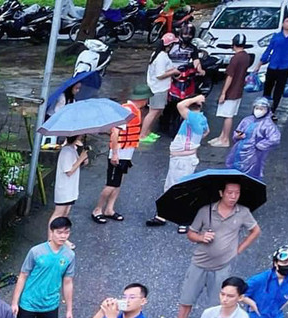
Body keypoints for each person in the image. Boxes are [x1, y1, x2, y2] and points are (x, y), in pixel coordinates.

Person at [162, 182, 260, 318]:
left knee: (218, 303)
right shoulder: (205, 211)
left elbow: (255, 231)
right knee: (187, 299)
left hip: (222, 266)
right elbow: (191, 233)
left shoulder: (242, 212)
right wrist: (201, 237)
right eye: (230, 193)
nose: (233, 196)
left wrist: (238, 249)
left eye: (237, 193)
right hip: (199, 263)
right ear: (221, 193)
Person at [7, 217, 76, 318]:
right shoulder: (36, 251)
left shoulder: (69, 255)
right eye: (59, 232)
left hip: (50, 303)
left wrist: (69, 309)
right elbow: (23, 276)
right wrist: (15, 302)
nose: (62, 236)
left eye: (66, 232)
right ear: (51, 233)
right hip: (29, 301)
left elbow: (68, 282)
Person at [145, 94, 206, 229]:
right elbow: (207, 132)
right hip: (184, 158)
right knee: (173, 186)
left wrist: (196, 98)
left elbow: (180, 105)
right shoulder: (201, 118)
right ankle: (164, 215)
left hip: (182, 159)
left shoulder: (193, 118)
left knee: (178, 188)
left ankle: (182, 220)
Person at [91, 85, 145, 223]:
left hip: (126, 153)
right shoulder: (127, 110)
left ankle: (109, 209)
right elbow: (115, 132)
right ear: (144, 99)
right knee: (111, 184)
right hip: (119, 153)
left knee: (118, 182)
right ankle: (98, 209)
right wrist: (115, 154)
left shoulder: (134, 110)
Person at [208, 35, 253, 147]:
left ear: (233, 44)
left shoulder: (235, 58)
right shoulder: (246, 56)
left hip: (231, 91)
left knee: (228, 116)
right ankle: (222, 136)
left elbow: (230, 76)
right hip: (238, 90)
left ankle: (225, 139)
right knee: (228, 114)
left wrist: (223, 92)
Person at [226, 98, 282, 179]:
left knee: (251, 172)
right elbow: (237, 131)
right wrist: (237, 136)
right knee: (234, 168)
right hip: (239, 149)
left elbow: (274, 139)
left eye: (261, 109)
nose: (258, 111)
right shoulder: (247, 120)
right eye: (257, 108)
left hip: (254, 153)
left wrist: (260, 145)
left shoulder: (268, 124)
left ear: (267, 110)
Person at [139, 34, 180, 141]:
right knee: (153, 111)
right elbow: (160, 75)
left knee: (157, 110)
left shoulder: (160, 55)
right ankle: (143, 134)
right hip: (158, 88)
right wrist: (174, 71)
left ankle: (148, 131)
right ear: (169, 45)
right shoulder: (161, 57)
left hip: (159, 88)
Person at [260, 14, 288, 107]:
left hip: (285, 67)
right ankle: (263, 108)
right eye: (287, 21)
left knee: (279, 89)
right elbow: (268, 50)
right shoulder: (276, 36)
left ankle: (273, 110)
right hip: (273, 65)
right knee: (267, 88)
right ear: (282, 24)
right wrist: (259, 64)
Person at [52, 136, 88, 221]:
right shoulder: (66, 151)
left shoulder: (72, 149)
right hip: (64, 190)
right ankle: (52, 234)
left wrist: (83, 160)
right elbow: (69, 171)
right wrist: (81, 159)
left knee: (65, 214)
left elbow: (74, 165)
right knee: (58, 215)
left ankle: (60, 233)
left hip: (70, 189)